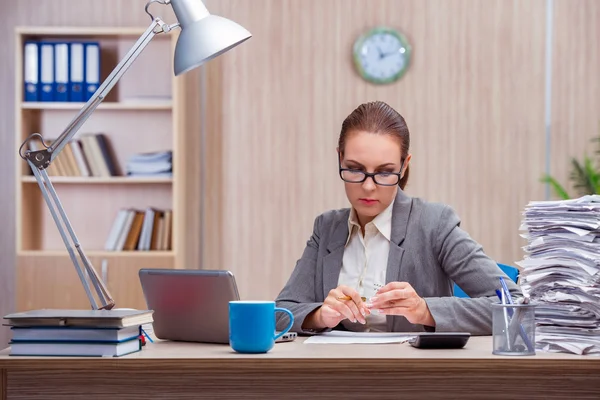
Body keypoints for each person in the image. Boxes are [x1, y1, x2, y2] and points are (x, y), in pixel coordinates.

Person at [275, 101, 522, 335]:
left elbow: (516, 306)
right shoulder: (327, 227)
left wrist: (425, 310)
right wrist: (319, 316)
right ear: (340, 158)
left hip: (412, 375)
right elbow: (280, 313)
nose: (369, 186)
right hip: (339, 372)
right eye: (355, 169)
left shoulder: (434, 224)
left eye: (384, 172)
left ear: (404, 166)